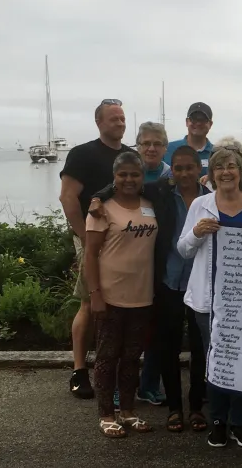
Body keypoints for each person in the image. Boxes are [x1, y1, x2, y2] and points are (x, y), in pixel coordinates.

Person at [90, 144, 211, 432]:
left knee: (199, 348)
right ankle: (173, 408)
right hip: (167, 281)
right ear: (173, 169)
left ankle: (196, 407)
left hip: (201, 283)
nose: (183, 173)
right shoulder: (159, 193)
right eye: (178, 167)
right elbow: (125, 183)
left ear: (199, 169)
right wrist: (98, 196)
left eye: (189, 167)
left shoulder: (211, 199)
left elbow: (130, 180)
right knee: (165, 348)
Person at [178, 138, 242, 449]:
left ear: (240, 170)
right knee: (216, 359)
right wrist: (196, 233)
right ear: (212, 173)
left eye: (231, 166)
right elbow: (182, 250)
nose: (225, 171)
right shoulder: (200, 205)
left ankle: (239, 421)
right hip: (208, 300)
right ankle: (218, 421)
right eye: (218, 166)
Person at [59, 98, 132, 399]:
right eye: (113, 118)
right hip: (91, 240)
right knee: (90, 302)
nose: (119, 122)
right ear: (99, 122)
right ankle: (79, 371)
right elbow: (67, 198)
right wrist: (85, 239)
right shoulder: (82, 154)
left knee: (120, 305)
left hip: (124, 242)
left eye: (122, 118)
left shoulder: (130, 157)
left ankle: (113, 368)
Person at [84, 151, 159, 438]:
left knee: (131, 357)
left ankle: (127, 411)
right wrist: (95, 294)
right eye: (123, 174)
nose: (129, 179)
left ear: (142, 177)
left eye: (135, 174)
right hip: (111, 295)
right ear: (114, 177)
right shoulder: (102, 209)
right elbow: (90, 255)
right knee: (107, 357)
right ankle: (106, 414)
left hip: (143, 296)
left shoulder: (151, 205)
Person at [133, 122, 169, 405]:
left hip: (162, 261)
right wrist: (97, 197)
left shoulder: (171, 176)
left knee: (157, 328)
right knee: (128, 329)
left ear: (165, 147)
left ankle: (148, 384)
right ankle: (124, 384)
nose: (152, 148)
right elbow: (108, 191)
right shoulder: (130, 175)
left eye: (157, 143)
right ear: (138, 146)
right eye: (146, 143)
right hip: (131, 261)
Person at [164, 102, 215, 175]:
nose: (198, 123)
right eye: (194, 119)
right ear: (187, 122)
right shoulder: (168, 149)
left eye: (203, 120)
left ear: (210, 124)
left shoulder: (216, 152)